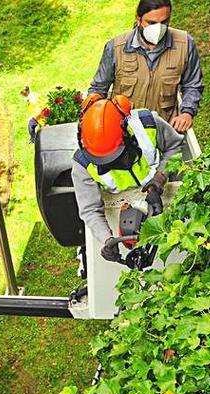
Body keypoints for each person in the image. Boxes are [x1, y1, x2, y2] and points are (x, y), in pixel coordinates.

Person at [72, 94, 184, 271]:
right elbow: (90, 209)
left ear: (125, 132)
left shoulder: (148, 123)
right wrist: (107, 239)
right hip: (117, 208)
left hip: (162, 195)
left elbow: (175, 146)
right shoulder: (82, 163)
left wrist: (159, 179)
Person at [88, 0, 204, 133]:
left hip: (163, 130)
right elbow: (98, 88)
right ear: (138, 19)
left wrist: (187, 113)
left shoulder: (185, 44)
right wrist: (95, 118)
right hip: (122, 131)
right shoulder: (116, 47)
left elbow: (192, 84)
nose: (159, 28)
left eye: (164, 22)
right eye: (152, 23)